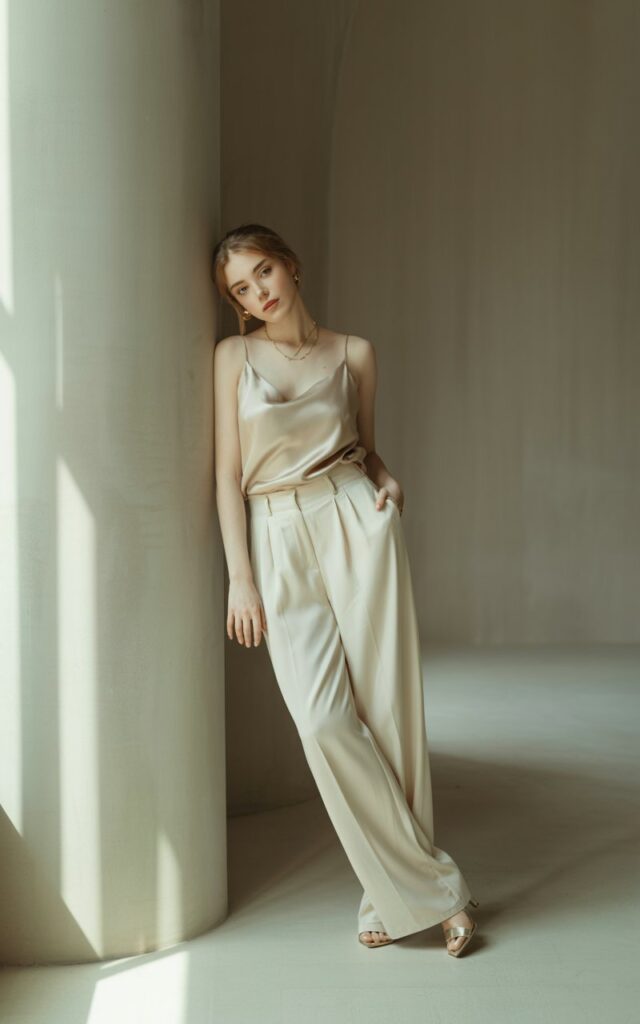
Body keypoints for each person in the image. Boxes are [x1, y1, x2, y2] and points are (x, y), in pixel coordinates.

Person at [211, 223, 480, 956]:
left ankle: (388, 898)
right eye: (241, 288)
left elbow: (362, 441)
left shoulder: (354, 353)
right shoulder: (233, 357)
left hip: (356, 519)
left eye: (263, 271)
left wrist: (385, 477)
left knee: (391, 713)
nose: (257, 292)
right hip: (274, 534)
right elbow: (228, 475)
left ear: (290, 265)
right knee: (324, 721)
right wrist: (240, 577)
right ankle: (436, 889)